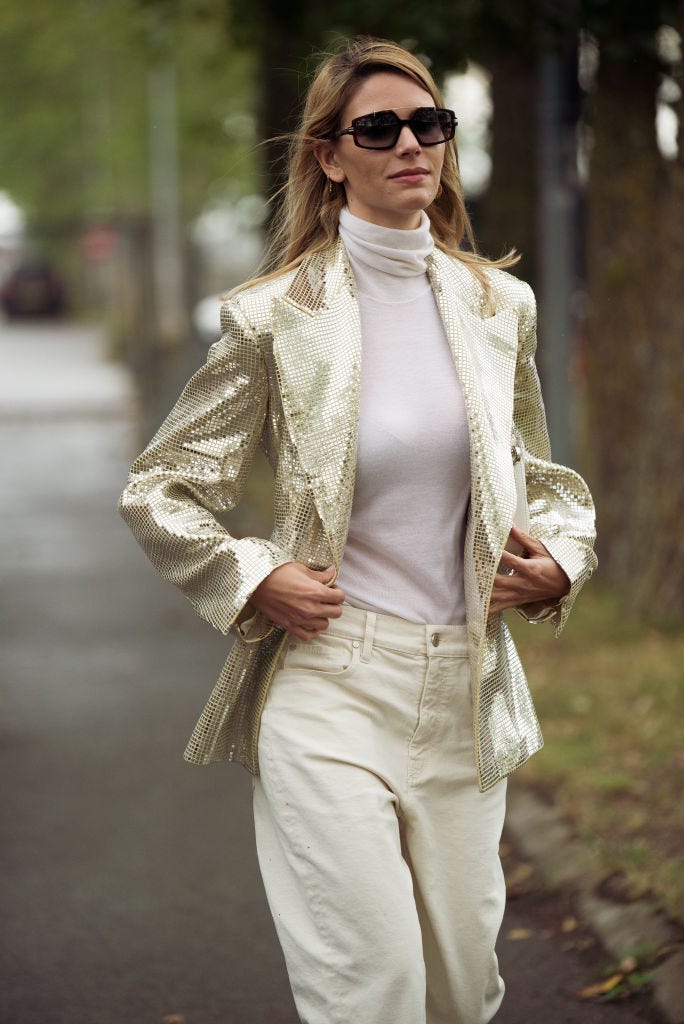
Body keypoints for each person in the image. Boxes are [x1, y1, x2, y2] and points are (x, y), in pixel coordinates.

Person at [119, 35, 597, 1024]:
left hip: (466, 688)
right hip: (332, 684)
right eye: (379, 128)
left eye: (430, 123)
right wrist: (253, 576)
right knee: (371, 989)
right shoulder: (271, 319)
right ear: (331, 155)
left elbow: (540, 475)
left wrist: (562, 559)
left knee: (465, 991)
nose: (412, 144)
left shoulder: (496, 303)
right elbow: (163, 485)